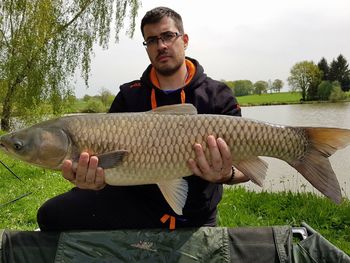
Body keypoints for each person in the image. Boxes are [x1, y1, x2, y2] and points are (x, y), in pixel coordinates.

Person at [37, 6, 250, 231]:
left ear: (184, 40)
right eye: (152, 40)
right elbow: (104, 164)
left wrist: (227, 175)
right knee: (50, 215)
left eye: (168, 36)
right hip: (135, 204)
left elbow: (248, 169)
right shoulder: (129, 96)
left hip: (196, 212)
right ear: (146, 47)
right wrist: (92, 182)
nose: (161, 46)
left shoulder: (218, 95)